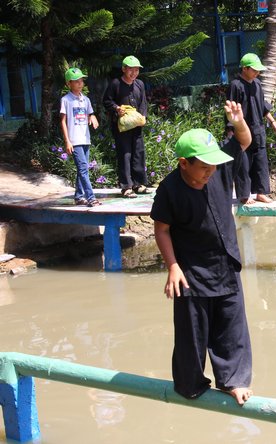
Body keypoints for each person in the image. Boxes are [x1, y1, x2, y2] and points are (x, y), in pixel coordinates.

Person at [150, 100, 254, 405]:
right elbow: (162, 229)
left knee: (232, 327)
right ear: (184, 163)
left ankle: (233, 380)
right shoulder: (169, 189)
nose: (211, 171)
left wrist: (238, 122)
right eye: (204, 166)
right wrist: (172, 266)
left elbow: (243, 141)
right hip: (191, 271)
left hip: (225, 261)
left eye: (213, 165)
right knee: (191, 334)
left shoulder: (218, 169)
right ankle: (191, 384)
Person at [227, 53, 276, 205]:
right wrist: (231, 131)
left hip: (258, 130)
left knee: (261, 163)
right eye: (254, 70)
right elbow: (230, 110)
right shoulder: (235, 85)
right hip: (242, 132)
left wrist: (272, 121)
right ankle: (244, 195)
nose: (258, 73)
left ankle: (261, 193)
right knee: (243, 163)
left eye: (258, 70)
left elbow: (263, 106)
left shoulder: (257, 83)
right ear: (245, 68)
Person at [103, 55, 149, 199]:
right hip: (122, 127)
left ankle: (138, 184)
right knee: (125, 154)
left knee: (138, 153)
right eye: (131, 70)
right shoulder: (115, 84)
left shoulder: (139, 84)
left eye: (136, 70)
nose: (134, 73)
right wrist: (117, 108)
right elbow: (106, 101)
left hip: (136, 125)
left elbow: (143, 102)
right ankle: (126, 187)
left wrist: (143, 117)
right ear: (124, 69)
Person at [59, 67, 101, 207]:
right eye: (76, 81)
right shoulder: (66, 100)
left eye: (81, 80)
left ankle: (78, 196)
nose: (80, 83)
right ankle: (91, 198)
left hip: (85, 139)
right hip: (75, 140)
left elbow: (90, 113)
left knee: (83, 169)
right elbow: (63, 121)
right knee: (83, 168)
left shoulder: (86, 100)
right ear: (68, 84)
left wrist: (93, 117)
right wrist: (67, 141)